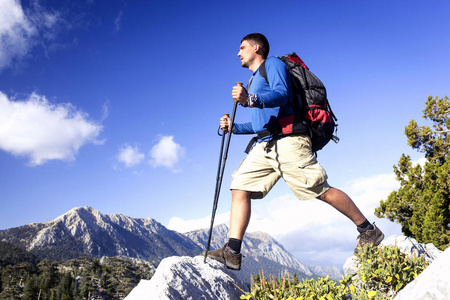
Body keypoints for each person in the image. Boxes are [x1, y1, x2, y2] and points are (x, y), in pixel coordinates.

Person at [205, 33, 384, 271]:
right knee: (239, 186)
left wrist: (251, 99)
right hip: (265, 144)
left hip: (289, 140)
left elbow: (282, 94)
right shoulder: (251, 81)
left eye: (242, 47)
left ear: (256, 47)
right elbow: (261, 124)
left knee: (318, 189)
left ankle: (368, 229)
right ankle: (232, 251)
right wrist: (233, 128)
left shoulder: (273, 65)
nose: (238, 53)